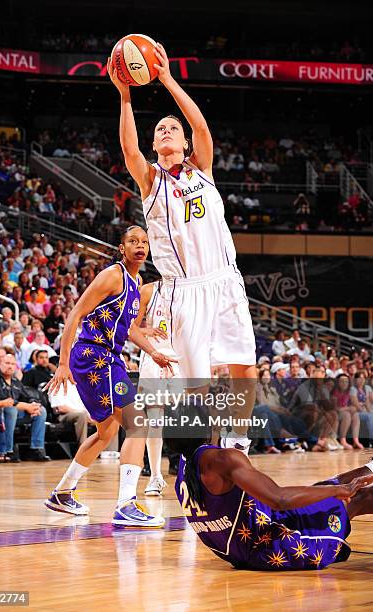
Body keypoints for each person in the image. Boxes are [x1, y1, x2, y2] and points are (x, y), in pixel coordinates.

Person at [108, 44, 256, 453]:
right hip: (184, 291)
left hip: (224, 279)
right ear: (155, 145)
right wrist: (125, 95)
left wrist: (168, 79)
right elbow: (129, 150)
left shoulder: (202, 169)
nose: (166, 131)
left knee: (245, 364)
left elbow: (203, 128)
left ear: (186, 142)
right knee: (196, 386)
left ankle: (239, 443)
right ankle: (202, 456)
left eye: (173, 128)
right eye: (160, 130)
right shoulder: (150, 180)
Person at [44, 226, 176, 527]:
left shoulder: (137, 282)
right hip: (94, 357)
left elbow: (129, 330)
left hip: (109, 358)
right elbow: (75, 314)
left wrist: (153, 352)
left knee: (105, 433)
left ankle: (62, 493)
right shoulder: (113, 275)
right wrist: (62, 362)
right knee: (137, 423)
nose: (140, 246)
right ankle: (126, 504)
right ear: (122, 247)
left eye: (144, 241)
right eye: (133, 241)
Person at [165, 403, 373, 571]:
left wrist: (334, 488)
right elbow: (279, 499)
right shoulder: (222, 459)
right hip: (274, 546)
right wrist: (340, 491)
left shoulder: (185, 469)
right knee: (356, 497)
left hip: (239, 552)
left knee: (323, 488)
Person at [133, 279, 182, 495]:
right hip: (154, 357)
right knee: (155, 421)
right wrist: (146, 330)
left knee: (187, 422)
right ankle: (155, 477)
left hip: (181, 359)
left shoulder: (191, 289)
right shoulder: (148, 290)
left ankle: (188, 473)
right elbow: (130, 327)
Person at [0, 353, 50, 461]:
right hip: (0, 414)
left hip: (17, 414)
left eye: (12, 364)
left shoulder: (16, 381)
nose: (10, 366)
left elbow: (27, 396)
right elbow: (1, 399)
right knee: (11, 410)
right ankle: (8, 450)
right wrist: (25, 406)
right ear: (0, 364)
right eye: (6, 363)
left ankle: (36, 449)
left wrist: (33, 403)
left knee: (41, 410)